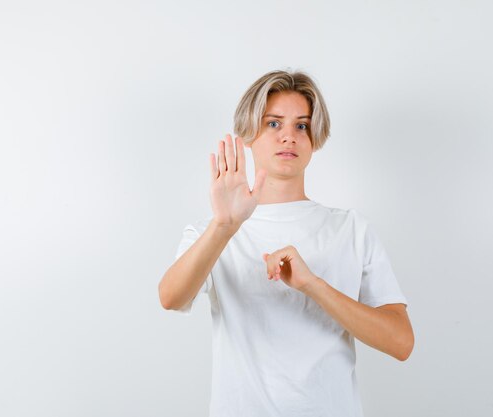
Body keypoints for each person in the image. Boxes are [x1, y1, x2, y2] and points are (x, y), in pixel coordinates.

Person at [158, 69, 414, 417]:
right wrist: (224, 226)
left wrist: (313, 285)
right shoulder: (215, 230)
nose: (288, 137)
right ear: (249, 134)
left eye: (302, 125)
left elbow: (400, 342)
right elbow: (171, 298)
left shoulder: (350, 229)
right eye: (274, 124)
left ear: (314, 137)